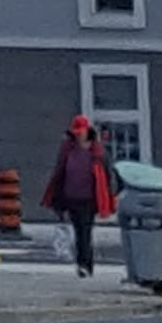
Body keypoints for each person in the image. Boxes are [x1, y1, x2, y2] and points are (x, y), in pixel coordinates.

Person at [45, 109, 114, 279]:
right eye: (75, 133)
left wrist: (108, 198)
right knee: (78, 232)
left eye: (80, 132)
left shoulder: (97, 153)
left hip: (88, 199)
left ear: (86, 131)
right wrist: (57, 200)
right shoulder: (68, 150)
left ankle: (85, 264)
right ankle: (82, 264)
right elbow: (59, 173)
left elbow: (107, 176)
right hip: (71, 197)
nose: (78, 136)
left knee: (85, 232)